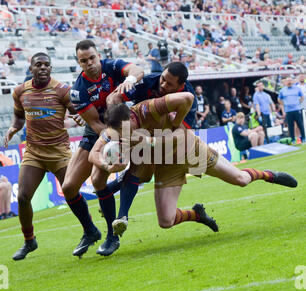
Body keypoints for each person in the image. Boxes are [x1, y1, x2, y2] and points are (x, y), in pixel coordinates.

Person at [89, 95, 297, 241]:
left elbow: (186, 102)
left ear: (132, 119)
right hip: (167, 166)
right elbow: (93, 154)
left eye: (126, 131)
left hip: (189, 150)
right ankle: (198, 215)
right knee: (165, 221)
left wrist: (155, 138)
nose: (123, 136)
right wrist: (108, 164)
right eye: (119, 134)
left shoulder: (146, 109)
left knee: (241, 180)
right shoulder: (116, 130)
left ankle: (269, 175)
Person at [94, 62, 198, 255]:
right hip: (132, 128)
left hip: (161, 140)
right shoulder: (149, 83)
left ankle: (111, 192)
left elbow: (181, 131)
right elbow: (114, 98)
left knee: (143, 176)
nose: (163, 85)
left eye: (169, 84)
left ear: (180, 86)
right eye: (163, 79)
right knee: (121, 174)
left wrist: (155, 140)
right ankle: (117, 223)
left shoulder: (188, 100)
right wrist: (120, 123)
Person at [61, 39, 144, 258]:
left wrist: (131, 79)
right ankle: (90, 231)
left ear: (99, 55)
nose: (89, 63)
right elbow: (97, 126)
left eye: (92, 58)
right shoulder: (78, 91)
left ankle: (112, 236)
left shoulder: (112, 66)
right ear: (78, 63)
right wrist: (110, 147)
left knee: (98, 180)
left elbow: (137, 69)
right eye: (83, 61)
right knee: (68, 187)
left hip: (121, 125)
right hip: (97, 131)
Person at [3, 52, 79, 260]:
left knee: (72, 193)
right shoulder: (20, 91)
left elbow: (77, 111)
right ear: (31, 68)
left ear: (51, 68)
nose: (43, 67)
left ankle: (89, 231)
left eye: (47, 64)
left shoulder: (62, 90)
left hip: (59, 151)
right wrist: (12, 128)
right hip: (34, 152)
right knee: (23, 196)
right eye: (39, 64)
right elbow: (19, 116)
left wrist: (78, 118)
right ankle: (29, 241)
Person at [278, 77, 305, 144]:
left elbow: (302, 97)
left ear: (292, 81)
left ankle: (304, 138)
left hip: (296, 109)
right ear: (286, 82)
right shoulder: (283, 90)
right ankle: (292, 139)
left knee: (300, 124)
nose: (289, 82)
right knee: (290, 126)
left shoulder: (297, 88)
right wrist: (284, 104)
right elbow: (279, 99)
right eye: (288, 81)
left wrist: (299, 103)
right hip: (288, 110)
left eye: (290, 81)